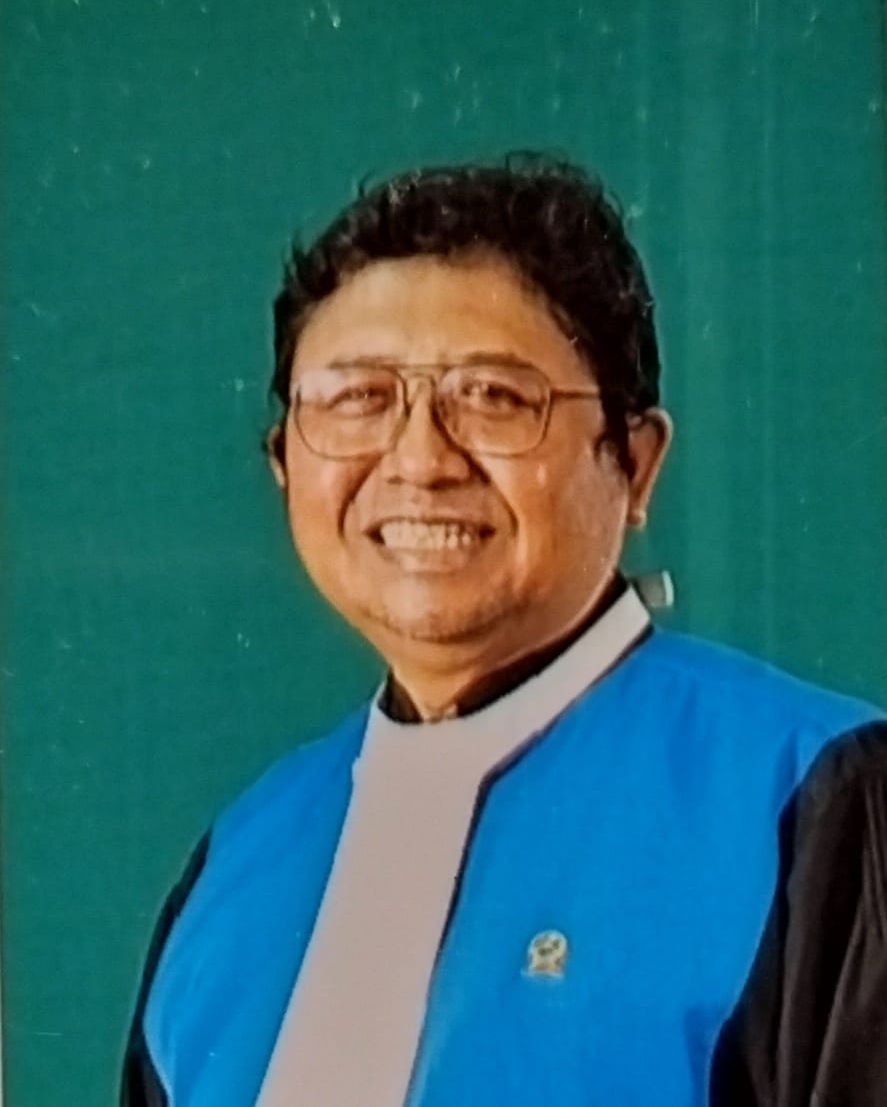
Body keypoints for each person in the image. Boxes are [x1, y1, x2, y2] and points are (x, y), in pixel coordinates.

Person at [121, 157, 887, 1107]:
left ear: (635, 463)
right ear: (284, 465)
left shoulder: (813, 799)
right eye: (357, 400)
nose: (419, 461)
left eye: (492, 396)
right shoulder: (238, 862)